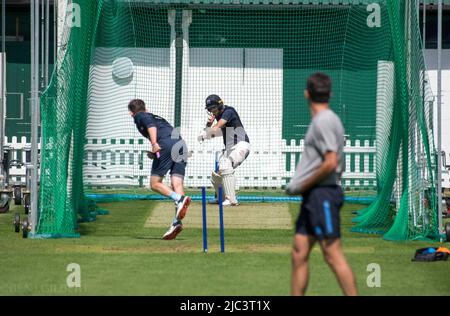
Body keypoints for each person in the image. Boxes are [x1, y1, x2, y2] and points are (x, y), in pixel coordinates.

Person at [285, 73, 357, 296]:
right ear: (330, 94)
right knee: (299, 252)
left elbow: (330, 162)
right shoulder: (323, 120)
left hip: (323, 195)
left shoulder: (324, 121)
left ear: (306, 93)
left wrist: (302, 184)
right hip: (314, 196)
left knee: (332, 254)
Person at [128, 99, 191, 240]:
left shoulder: (141, 115)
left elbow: (151, 127)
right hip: (180, 144)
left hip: (166, 144)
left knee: (155, 183)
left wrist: (155, 143)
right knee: (177, 183)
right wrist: (155, 150)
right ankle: (176, 222)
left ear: (131, 113)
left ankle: (179, 199)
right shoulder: (156, 117)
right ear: (146, 107)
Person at [198, 94, 250, 206]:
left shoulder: (229, 111)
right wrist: (208, 125)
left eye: (213, 108)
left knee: (226, 165)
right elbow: (216, 132)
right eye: (210, 109)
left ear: (220, 105)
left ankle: (231, 199)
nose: (212, 111)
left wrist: (207, 131)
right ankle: (221, 198)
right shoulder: (218, 117)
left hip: (241, 144)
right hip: (230, 148)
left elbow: (218, 127)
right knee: (216, 175)